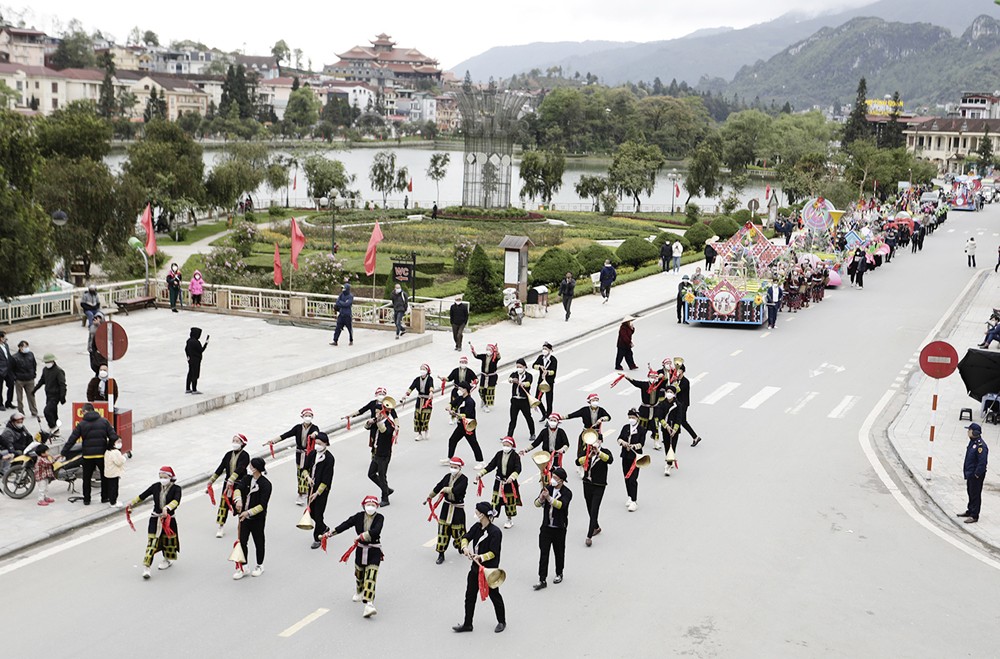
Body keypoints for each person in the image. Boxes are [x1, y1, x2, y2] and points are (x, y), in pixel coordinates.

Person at [324, 496, 385, 619]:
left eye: (373, 505)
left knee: (371, 576)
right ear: (363, 506)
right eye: (368, 504)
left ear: (377, 507)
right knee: (359, 574)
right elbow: (346, 525)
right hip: (360, 550)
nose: (371, 507)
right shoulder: (358, 517)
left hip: (374, 550)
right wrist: (330, 534)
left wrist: (361, 536)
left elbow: (375, 531)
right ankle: (359, 591)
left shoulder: (380, 518)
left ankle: (369, 604)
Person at [452, 501, 506, 634]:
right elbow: (466, 537)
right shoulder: (477, 527)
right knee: (469, 596)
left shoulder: (495, 532)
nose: (475, 514)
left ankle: (501, 621)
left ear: (482, 515)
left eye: (477, 512)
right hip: (475, 569)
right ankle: (467, 623)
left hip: (490, 571)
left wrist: (480, 557)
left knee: (495, 596)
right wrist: (464, 547)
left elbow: (494, 553)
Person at [62, 402, 117, 506]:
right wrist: (108, 447)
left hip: (87, 456)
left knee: (86, 478)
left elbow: (72, 439)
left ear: (85, 411)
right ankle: (104, 497)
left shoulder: (82, 424)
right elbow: (113, 436)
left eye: (82, 412)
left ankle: (87, 499)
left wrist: (63, 452)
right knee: (104, 476)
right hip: (101, 455)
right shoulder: (104, 422)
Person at [269, 408, 320, 505]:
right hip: (299, 454)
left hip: (309, 454)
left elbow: (317, 432)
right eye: (306, 415)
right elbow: (286, 435)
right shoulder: (297, 428)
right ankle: (302, 492)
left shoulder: (314, 428)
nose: (308, 417)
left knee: (307, 472)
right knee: (300, 473)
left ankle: (306, 491)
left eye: (310, 416)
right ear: (302, 416)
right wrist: (274, 441)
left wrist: (314, 435)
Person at [533, 466, 572, 590]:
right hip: (546, 527)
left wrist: (549, 498)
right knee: (544, 553)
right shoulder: (547, 488)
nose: (553, 480)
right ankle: (542, 579)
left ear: (561, 480)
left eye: (555, 478)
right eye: (552, 477)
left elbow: (561, 505)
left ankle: (559, 572)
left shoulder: (567, 492)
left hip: (559, 527)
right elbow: (536, 504)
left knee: (559, 552)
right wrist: (541, 498)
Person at [232, 457, 271, 579]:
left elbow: (262, 506)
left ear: (256, 468)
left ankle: (260, 565)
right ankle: (244, 566)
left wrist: (248, 513)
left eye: (252, 466)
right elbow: (238, 488)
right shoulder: (247, 478)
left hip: (257, 519)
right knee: (242, 541)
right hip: (243, 518)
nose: (249, 467)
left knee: (259, 542)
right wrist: (238, 500)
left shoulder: (266, 484)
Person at [428, 456, 469, 564]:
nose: (453, 469)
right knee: (443, 531)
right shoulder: (447, 477)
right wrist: (430, 496)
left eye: (455, 467)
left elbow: (457, 490)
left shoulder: (464, 479)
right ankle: (441, 554)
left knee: (457, 531)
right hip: (446, 507)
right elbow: (439, 486)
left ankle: (461, 546)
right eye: (451, 467)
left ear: (460, 468)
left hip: (457, 508)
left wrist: (446, 489)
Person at [208, 434, 250, 538]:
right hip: (227, 485)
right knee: (223, 505)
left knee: (240, 504)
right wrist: (211, 481)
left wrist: (232, 479)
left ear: (242, 444)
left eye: (237, 441)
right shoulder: (228, 455)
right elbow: (221, 468)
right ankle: (221, 527)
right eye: (233, 441)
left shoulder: (245, 456)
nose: (235, 443)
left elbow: (240, 468)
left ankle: (241, 525)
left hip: (240, 484)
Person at [478, 436, 522, 529]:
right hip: (498, 482)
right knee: (495, 502)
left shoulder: (515, 456)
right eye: (504, 445)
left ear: (511, 445)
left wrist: (512, 477)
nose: (505, 447)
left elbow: (518, 468)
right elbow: (491, 465)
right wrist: (481, 473)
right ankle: (491, 518)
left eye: (507, 445)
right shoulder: (499, 454)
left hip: (509, 483)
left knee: (509, 502)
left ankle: (509, 519)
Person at [577, 433, 612, 546]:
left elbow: (610, 460)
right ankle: (596, 526)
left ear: (601, 441)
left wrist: (599, 453)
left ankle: (589, 535)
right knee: (589, 505)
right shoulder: (586, 452)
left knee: (594, 509)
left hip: (599, 484)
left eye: (597, 440)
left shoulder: (605, 451)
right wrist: (589, 456)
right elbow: (577, 462)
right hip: (587, 483)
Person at [304, 433, 335, 549]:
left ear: (326, 444)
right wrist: (307, 477)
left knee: (318, 513)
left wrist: (317, 493)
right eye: (316, 443)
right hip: (311, 487)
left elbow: (327, 479)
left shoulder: (329, 459)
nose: (317, 446)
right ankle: (324, 527)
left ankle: (317, 537)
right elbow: (305, 469)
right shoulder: (312, 454)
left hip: (321, 491)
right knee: (311, 512)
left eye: (320, 444)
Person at [624, 369, 667, 450]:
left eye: (655, 377)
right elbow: (636, 383)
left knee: (655, 426)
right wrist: (628, 378)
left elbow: (665, 381)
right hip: (645, 409)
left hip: (655, 409)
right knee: (642, 427)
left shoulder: (658, 384)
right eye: (651, 377)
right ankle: (637, 440)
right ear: (648, 377)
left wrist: (662, 376)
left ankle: (656, 442)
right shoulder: (644, 385)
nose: (653, 378)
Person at [565, 393, 612, 464]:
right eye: (593, 400)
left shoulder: (601, 410)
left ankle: (595, 458)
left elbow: (608, 417)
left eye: (596, 400)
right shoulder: (585, 410)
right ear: (589, 401)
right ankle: (581, 461)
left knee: (596, 446)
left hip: (596, 433)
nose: (595, 401)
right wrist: (562, 417)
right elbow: (574, 414)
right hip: (586, 431)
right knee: (582, 447)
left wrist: (602, 419)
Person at [445, 385, 484, 469]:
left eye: (461, 388)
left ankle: (481, 461)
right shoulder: (460, 398)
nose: (459, 390)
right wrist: (449, 406)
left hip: (468, 425)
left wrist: (455, 414)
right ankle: (450, 458)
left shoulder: (470, 401)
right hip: (460, 425)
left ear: (466, 390)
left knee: (473, 443)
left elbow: (467, 414)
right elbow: (452, 403)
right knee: (452, 440)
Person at [958, 423, 989, 524]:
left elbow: (982, 463)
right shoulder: (972, 442)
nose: (968, 432)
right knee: (970, 492)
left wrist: (976, 474)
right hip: (970, 473)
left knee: (975, 494)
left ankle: (974, 515)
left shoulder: (981, 446)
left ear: (974, 432)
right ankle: (970, 510)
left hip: (976, 475)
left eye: (969, 430)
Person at [368, 406, 396, 506]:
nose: (376, 415)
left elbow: (385, 432)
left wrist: (379, 422)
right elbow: (367, 427)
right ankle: (386, 489)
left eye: (378, 413)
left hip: (384, 454)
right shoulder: (377, 422)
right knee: (371, 474)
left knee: (382, 476)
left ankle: (385, 498)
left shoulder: (390, 424)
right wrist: (370, 422)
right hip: (376, 452)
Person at [618, 409, 644, 512]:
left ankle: (634, 500)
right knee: (626, 477)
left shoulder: (641, 429)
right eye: (629, 417)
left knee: (633, 478)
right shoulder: (625, 428)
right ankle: (629, 495)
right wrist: (623, 443)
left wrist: (632, 446)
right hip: (625, 455)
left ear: (637, 418)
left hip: (635, 457)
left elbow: (641, 443)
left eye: (633, 417)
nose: (631, 419)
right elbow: (619, 439)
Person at [32, 353, 65, 433]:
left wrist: (62, 397)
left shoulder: (58, 371)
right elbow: (42, 380)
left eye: (48, 362)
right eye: (46, 362)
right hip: (48, 394)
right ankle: (57, 430)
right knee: (53, 413)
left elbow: (62, 385)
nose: (47, 363)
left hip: (55, 395)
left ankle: (52, 426)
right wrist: (34, 390)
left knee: (47, 411)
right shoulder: (45, 370)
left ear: (53, 361)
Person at [674, 364, 703, 447]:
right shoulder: (677, 380)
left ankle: (695, 437)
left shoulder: (685, 381)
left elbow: (678, 390)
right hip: (678, 403)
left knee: (682, 421)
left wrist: (675, 382)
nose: (677, 371)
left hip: (683, 404)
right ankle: (673, 436)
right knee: (676, 419)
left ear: (682, 371)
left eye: (679, 370)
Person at [404, 364, 434, 441]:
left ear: (427, 371)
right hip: (419, 399)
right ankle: (419, 433)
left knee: (425, 416)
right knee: (417, 417)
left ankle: (426, 429)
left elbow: (431, 386)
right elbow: (411, 387)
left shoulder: (430, 379)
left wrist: (431, 392)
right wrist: (406, 395)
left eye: (424, 369)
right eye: (421, 369)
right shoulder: (417, 379)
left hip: (427, 400)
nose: (422, 370)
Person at [506, 358, 535, 439]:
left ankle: (532, 433)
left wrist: (522, 383)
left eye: (520, 366)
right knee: (513, 419)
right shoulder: (514, 374)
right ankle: (509, 436)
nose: (519, 368)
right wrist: (512, 380)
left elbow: (528, 383)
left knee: (528, 417)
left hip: (524, 401)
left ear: (525, 367)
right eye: (517, 367)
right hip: (515, 400)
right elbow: (509, 379)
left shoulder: (529, 375)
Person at [657, 388, 681, 476]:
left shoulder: (678, 405)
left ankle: (668, 465)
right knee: (667, 445)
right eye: (668, 392)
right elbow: (660, 417)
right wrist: (666, 426)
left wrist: (674, 429)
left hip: (675, 429)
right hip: (665, 428)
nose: (669, 394)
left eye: (671, 392)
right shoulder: (662, 404)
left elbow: (679, 418)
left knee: (673, 446)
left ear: (674, 394)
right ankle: (669, 461)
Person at [11, 340, 38, 419]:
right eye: (24, 346)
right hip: (19, 380)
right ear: (20, 347)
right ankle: (21, 412)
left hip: (30, 379)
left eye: (27, 346)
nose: (26, 348)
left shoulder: (30, 354)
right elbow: (11, 369)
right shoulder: (14, 357)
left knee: (31, 396)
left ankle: (34, 411)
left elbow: (34, 364)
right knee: (19, 398)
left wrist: (33, 374)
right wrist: (15, 378)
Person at [532, 342, 558, 421]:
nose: (544, 350)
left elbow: (553, 372)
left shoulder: (553, 360)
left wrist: (547, 372)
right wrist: (540, 367)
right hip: (541, 381)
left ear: (550, 350)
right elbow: (533, 365)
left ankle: (549, 417)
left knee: (549, 401)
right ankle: (544, 413)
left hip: (549, 383)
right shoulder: (541, 358)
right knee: (537, 399)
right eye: (543, 349)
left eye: (546, 349)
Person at [470, 344, 499, 413]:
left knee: (489, 391)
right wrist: (473, 351)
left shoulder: (495, 357)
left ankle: (486, 405)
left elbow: (498, 356)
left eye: (489, 350)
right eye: (487, 349)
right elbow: (477, 356)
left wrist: (497, 352)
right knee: (481, 389)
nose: (488, 351)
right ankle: (483, 399)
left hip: (491, 376)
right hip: (484, 376)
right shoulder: (484, 356)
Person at [104, 437, 126, 508]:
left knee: (110, 487)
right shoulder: (115, 452)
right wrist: (123, 458)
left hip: (109, 472)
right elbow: (119, 462)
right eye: (118, 442)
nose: (120, 444)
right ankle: (113, 502)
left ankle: (112, 500)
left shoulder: (107, 451)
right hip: (114, 473)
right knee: (114, 488)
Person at [185, 328, 208, 394]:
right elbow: (201, 350)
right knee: (195, 374)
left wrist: (188, 356)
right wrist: (206, 343)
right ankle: (194, 389)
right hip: (196, 360)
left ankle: (188, 388)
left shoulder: (189, 341)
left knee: (190, 373)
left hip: (191, 360)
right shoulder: (196, 342)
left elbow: (186, 349)